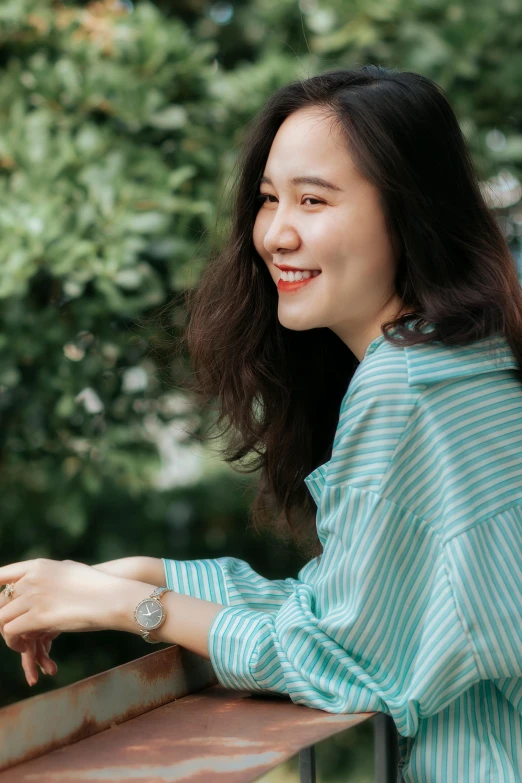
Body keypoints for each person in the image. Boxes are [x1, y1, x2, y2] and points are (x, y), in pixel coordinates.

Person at [1, 65, 521, 782]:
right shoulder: (471, 361)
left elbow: (334, 656)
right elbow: (347, 607)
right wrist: (140, 574)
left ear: (409, 210)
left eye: (313, 199)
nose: (276, 232)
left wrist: (128, 606)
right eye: (269, 199)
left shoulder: (406, 387)